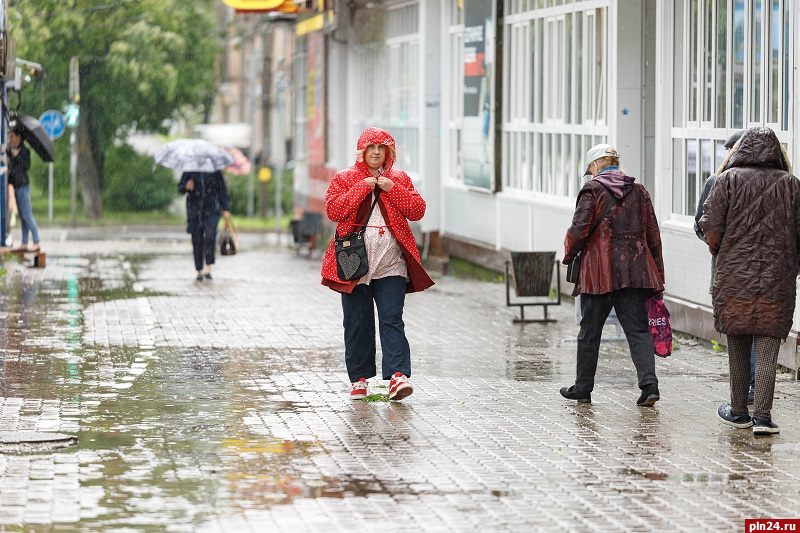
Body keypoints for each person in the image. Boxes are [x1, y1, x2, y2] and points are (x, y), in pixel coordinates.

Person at [698, 127, 800, 436]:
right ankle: (765, 419)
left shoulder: (727, 180)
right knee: (768, 347)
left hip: (734, 277)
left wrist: (724, 251)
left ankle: (739, 412)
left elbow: (710, 228)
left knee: (738, 345)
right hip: (777, 278)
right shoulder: (791, 185)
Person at [321, 127, 434, 401]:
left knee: (392, 318)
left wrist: (392, 190)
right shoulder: (345, 178)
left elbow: (417, 210)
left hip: (391, 264)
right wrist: (363, 187)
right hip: (354, 265)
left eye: (381, 148)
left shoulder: (399, 178)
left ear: (388, 152)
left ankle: (398, 377)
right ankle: (359, 380)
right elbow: (334, 210)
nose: (375, 152)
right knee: (357, 322)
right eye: (370, 148)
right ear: (361, 152)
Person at [560, 144, 665, 406]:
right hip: (635, 273)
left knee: (589, 332)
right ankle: (649, 386)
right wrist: (658, 275)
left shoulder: (592, 190)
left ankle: (583, 388)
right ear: (615, 163)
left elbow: (579, 229)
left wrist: (569, 254)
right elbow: (653, 235)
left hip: (600, 275)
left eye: (591, 169)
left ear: (596, 166)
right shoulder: (639, 191)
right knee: (638, 331)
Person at [693, 130, 756, 406]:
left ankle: (742, 395)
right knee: (755, 331)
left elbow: (701, 225)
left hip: (728, 272)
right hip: (761, 272)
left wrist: (720, 247)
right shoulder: (778, 179)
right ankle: (751, 388)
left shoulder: (718, 181)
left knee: (739, 331)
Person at [177, 170, 230, 282]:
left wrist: (225, 208)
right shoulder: (190, 170)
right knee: (197, 240)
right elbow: (180, 188)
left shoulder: (215, 171)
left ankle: (208, 268)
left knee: (210, 236)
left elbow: (222, 190)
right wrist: (186, 186)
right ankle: (199, 270)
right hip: (194, 210)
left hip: (211, 210)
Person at [7, 127, 41, 252]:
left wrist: (16, 156)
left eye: (13, 137)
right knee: (22, 215)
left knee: (27, 214)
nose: (11, 139)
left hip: (23, 186)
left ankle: (36, 240)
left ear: (18, 137)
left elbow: (25, 166)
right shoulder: (11, 151)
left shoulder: (24, 151)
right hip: (16, 186)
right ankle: (24, 241)